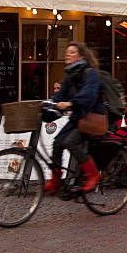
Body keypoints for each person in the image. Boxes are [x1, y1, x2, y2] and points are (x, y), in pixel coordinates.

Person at [49, 42, 106, 194]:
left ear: (81, 56)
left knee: (69, 142)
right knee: (57, 143)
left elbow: (89, 94)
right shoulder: (70, 76)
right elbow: (60, 95)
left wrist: (71, 102)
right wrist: (48, 104)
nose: (68, 54)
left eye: (72, 52)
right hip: (78, 117)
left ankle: (93, 174)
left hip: (91, 116)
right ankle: (56, 179)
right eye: (67, 52)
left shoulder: (90, 73)